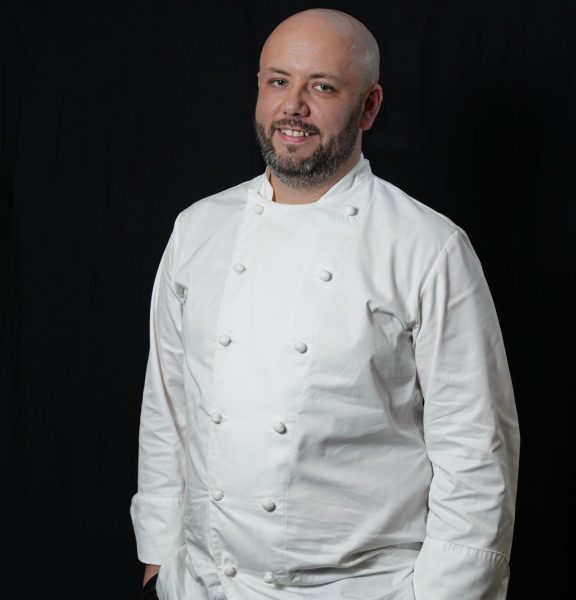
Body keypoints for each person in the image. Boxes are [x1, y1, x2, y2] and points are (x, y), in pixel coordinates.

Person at [130, 8, 520, 600]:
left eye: (323, 87)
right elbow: (168, 406)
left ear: (369, 107)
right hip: (206, 585)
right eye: (278, 81)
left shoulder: (428, 247)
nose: (293, 107)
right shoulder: (198, 229)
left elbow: (475, 451)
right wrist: (160, 560)